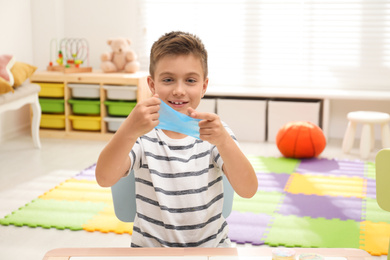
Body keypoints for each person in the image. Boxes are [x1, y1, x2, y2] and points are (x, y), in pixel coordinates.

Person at [95, 31, 258, 247]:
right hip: (151, 253)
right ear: (152, 85)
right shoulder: (142, 134)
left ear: (204, 86)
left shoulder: (216, 133)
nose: (179, 90)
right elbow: (104, 178)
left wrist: (225, 142)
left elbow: (248, 190)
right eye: (168, 79)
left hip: (210, 251)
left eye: (190, 80)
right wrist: (129, 130)